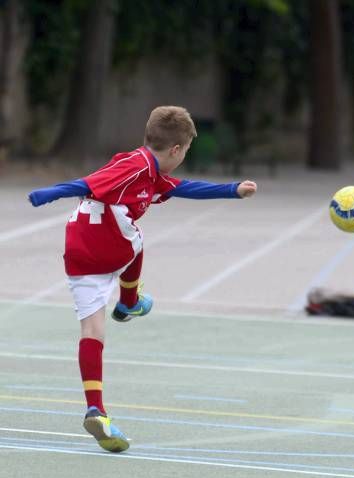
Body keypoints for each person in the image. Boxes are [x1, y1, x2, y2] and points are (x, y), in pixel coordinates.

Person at [28, 106, 258, 452]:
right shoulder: (133, 166)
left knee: (93, 330)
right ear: (176, 150)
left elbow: (186, 188)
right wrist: (50, 193)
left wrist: (231, 189)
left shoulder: (150, 172)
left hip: (78, 251)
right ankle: (130, 302)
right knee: (135, 240)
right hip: (102, 239)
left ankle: (97, 410)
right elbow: (89, 183)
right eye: (186, 153)